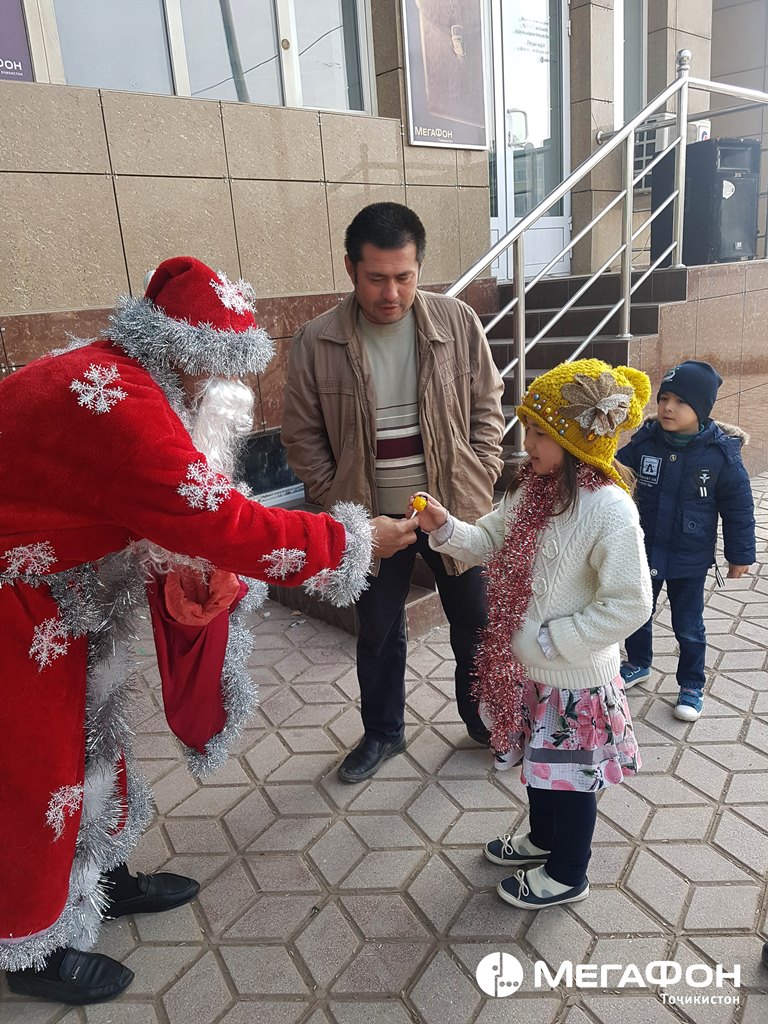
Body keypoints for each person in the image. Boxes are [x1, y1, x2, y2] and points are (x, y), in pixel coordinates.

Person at [0, 255, 415, 1004]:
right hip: (17, 603)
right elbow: (221, 520)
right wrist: (351, 541)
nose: (231, 395)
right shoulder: (121, 407)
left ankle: (99, 877)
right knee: (34, 770)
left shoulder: (127, 372)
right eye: (221, 372)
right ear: (182, 354)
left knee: (94, 738)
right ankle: (29, 944)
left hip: (63, 588)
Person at [410, 359, 653, 909]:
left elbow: (632, 601)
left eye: (541, 432)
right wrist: (446, 527)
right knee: (542, 767)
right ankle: (543, 840)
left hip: (575, 677)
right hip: (533, 669)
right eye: (528, 428)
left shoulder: (609, 509)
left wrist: (557, 638)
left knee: (573, 782)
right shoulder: (531, 491)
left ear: (577, 439)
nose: (528, 443)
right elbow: (488, 540)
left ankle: (568, 873)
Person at [281, 202, 505, 783]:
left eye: (404, 276)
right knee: (378, 632)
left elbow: (487, 403)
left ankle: (484, 720)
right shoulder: (317, 340)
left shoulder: (456, 321)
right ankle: (383, 732)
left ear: (419, 267)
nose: (392, 293)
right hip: (371, 519)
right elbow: (302, 435)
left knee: (476, 620)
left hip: (454, 509)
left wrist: (481, 470)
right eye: (377, 278)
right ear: (350, 268)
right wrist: (339, 503)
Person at [617, 359, 756, 721]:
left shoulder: (721, 455)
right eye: (664, 398)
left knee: (688, 626)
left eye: (680, 401)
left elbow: (739, 508)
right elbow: (614, 475)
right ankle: (638, 662)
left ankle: (691, 684)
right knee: (637, 611)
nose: (668, 407)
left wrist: (740, 554)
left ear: (701, 409)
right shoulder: (645, 442)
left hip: (689, 559)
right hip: (644, 550)